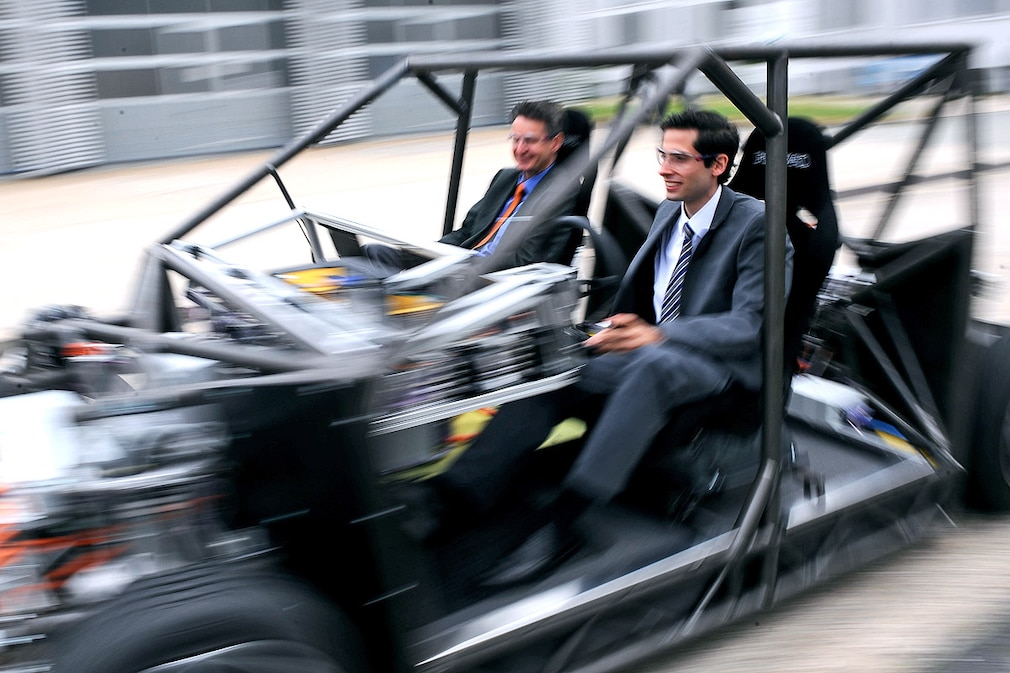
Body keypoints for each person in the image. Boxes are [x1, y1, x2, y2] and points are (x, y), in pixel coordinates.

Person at [425, 108, 793, 587]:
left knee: (653, 367)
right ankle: (457, 495)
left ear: (718, 165)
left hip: (718, 364)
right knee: (557, 364)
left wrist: (657, 334)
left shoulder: (759, 226)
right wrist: (607, 328)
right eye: (663, 155)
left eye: (679, 158)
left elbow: (751, 325)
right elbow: (649, 296)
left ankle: (567, 523)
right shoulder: (670, 211)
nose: (664, 168)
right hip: (655, 347)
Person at [363, 99, 585, 279]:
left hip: (492, 282)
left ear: (555, 143)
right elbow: (467, 233)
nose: (520, 149)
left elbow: (527, 260)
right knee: (374, 254)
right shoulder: (505, 178)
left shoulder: (561, 190)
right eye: (515, 139)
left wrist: (461, 268)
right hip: (459, 267)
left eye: (529, 141)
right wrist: (424, 254)